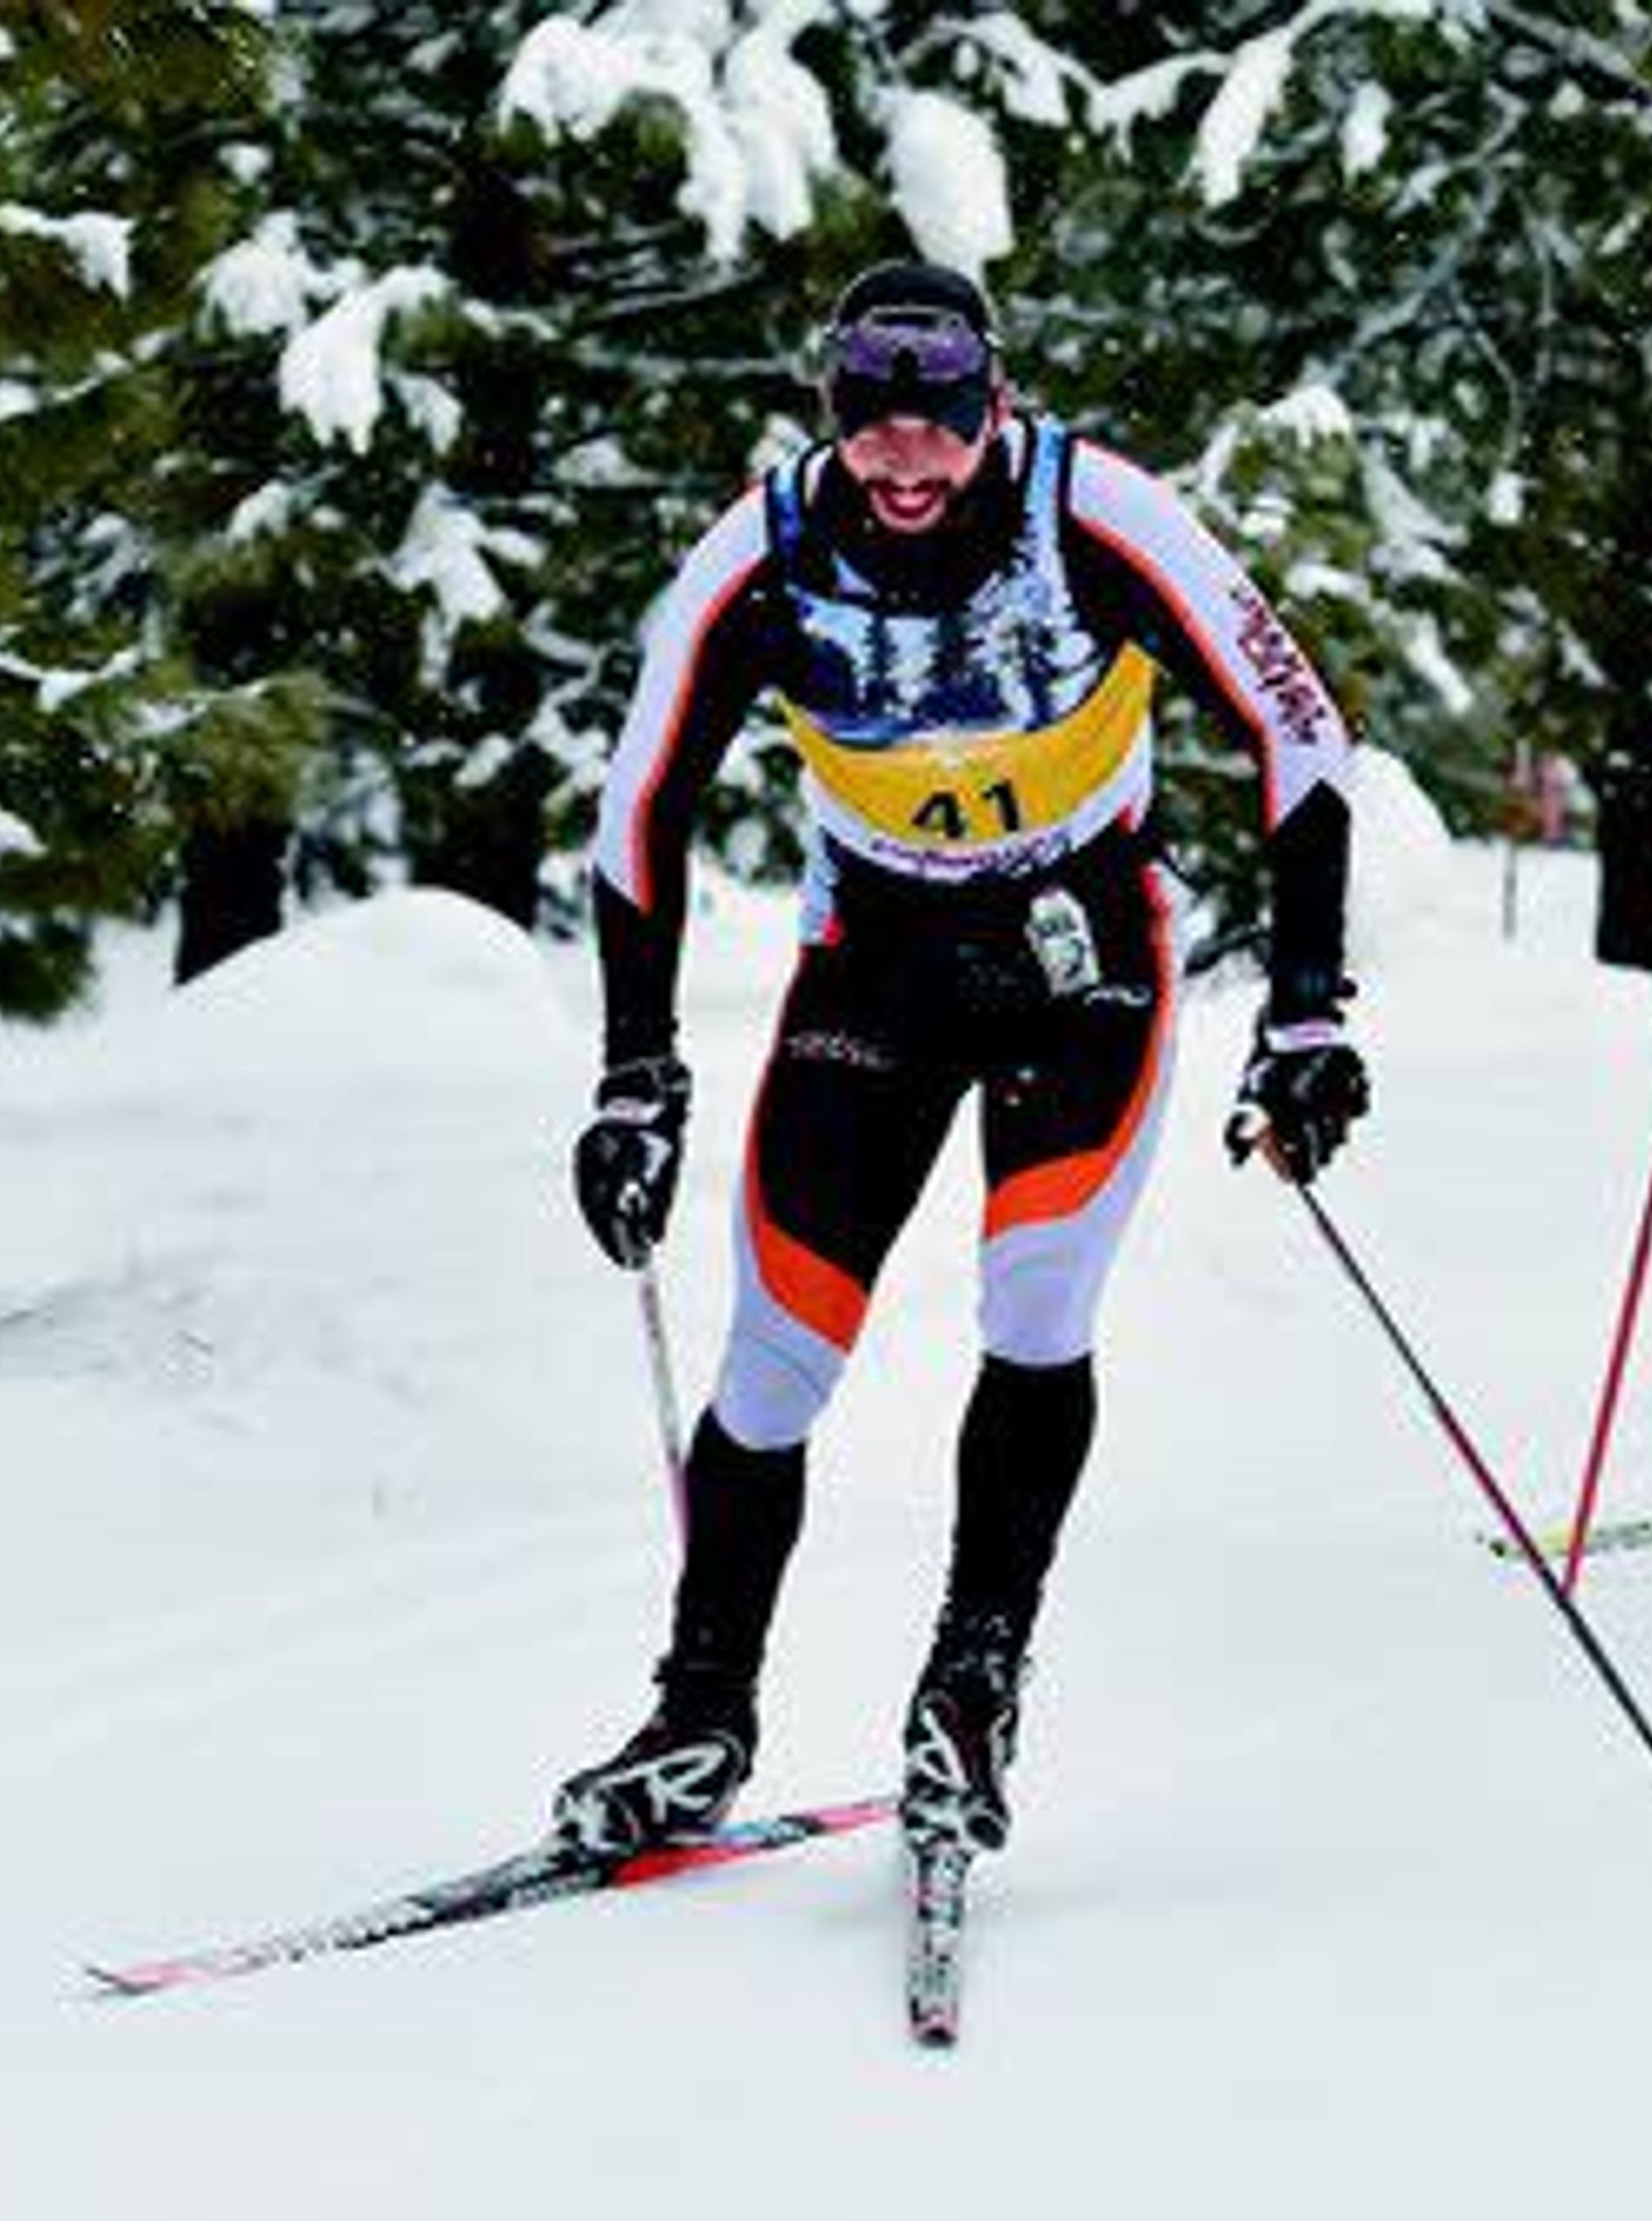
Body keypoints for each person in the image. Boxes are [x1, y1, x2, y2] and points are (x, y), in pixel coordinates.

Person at [553, 261, 1369, 1862]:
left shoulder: (1098, 514)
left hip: (1083, 952)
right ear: (832, 424)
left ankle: (970, 1688)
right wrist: (634, 1070)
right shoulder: (765, 552)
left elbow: (1301, 729)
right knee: (776, 1355)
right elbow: (640, 806)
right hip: (881, 959)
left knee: (1037, 1296)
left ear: (994, 409)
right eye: (875, 437)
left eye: (940, 431)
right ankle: (700, 1715)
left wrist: (1310, 1013)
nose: (908, 467)